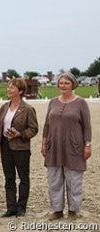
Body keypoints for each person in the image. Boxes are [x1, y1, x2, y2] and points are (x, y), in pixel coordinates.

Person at [41, 72, 92, 221]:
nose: (63, 86)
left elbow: (87, 127)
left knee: (74, 180)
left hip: (74, 146)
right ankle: (57, 210)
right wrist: (44, 142)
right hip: (54, 147)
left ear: (73, 85)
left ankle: (73, 210)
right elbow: (46, 125)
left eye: (66, 83)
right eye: (61, 83)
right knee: (54, 180)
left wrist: (87, 145)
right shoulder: (53, 102)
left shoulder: (81, 103)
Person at [0, 78, 38, 217]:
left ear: (20, 91)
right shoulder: (4, 107)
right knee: (9, 178)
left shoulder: (28, 109)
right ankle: (11, 207)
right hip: (5, 146)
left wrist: (20, 134)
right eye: (9, 87)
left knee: (23, 178)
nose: (8, 89)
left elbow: (34, 129)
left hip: (21, 148)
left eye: (12, 88)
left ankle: (21, 207)